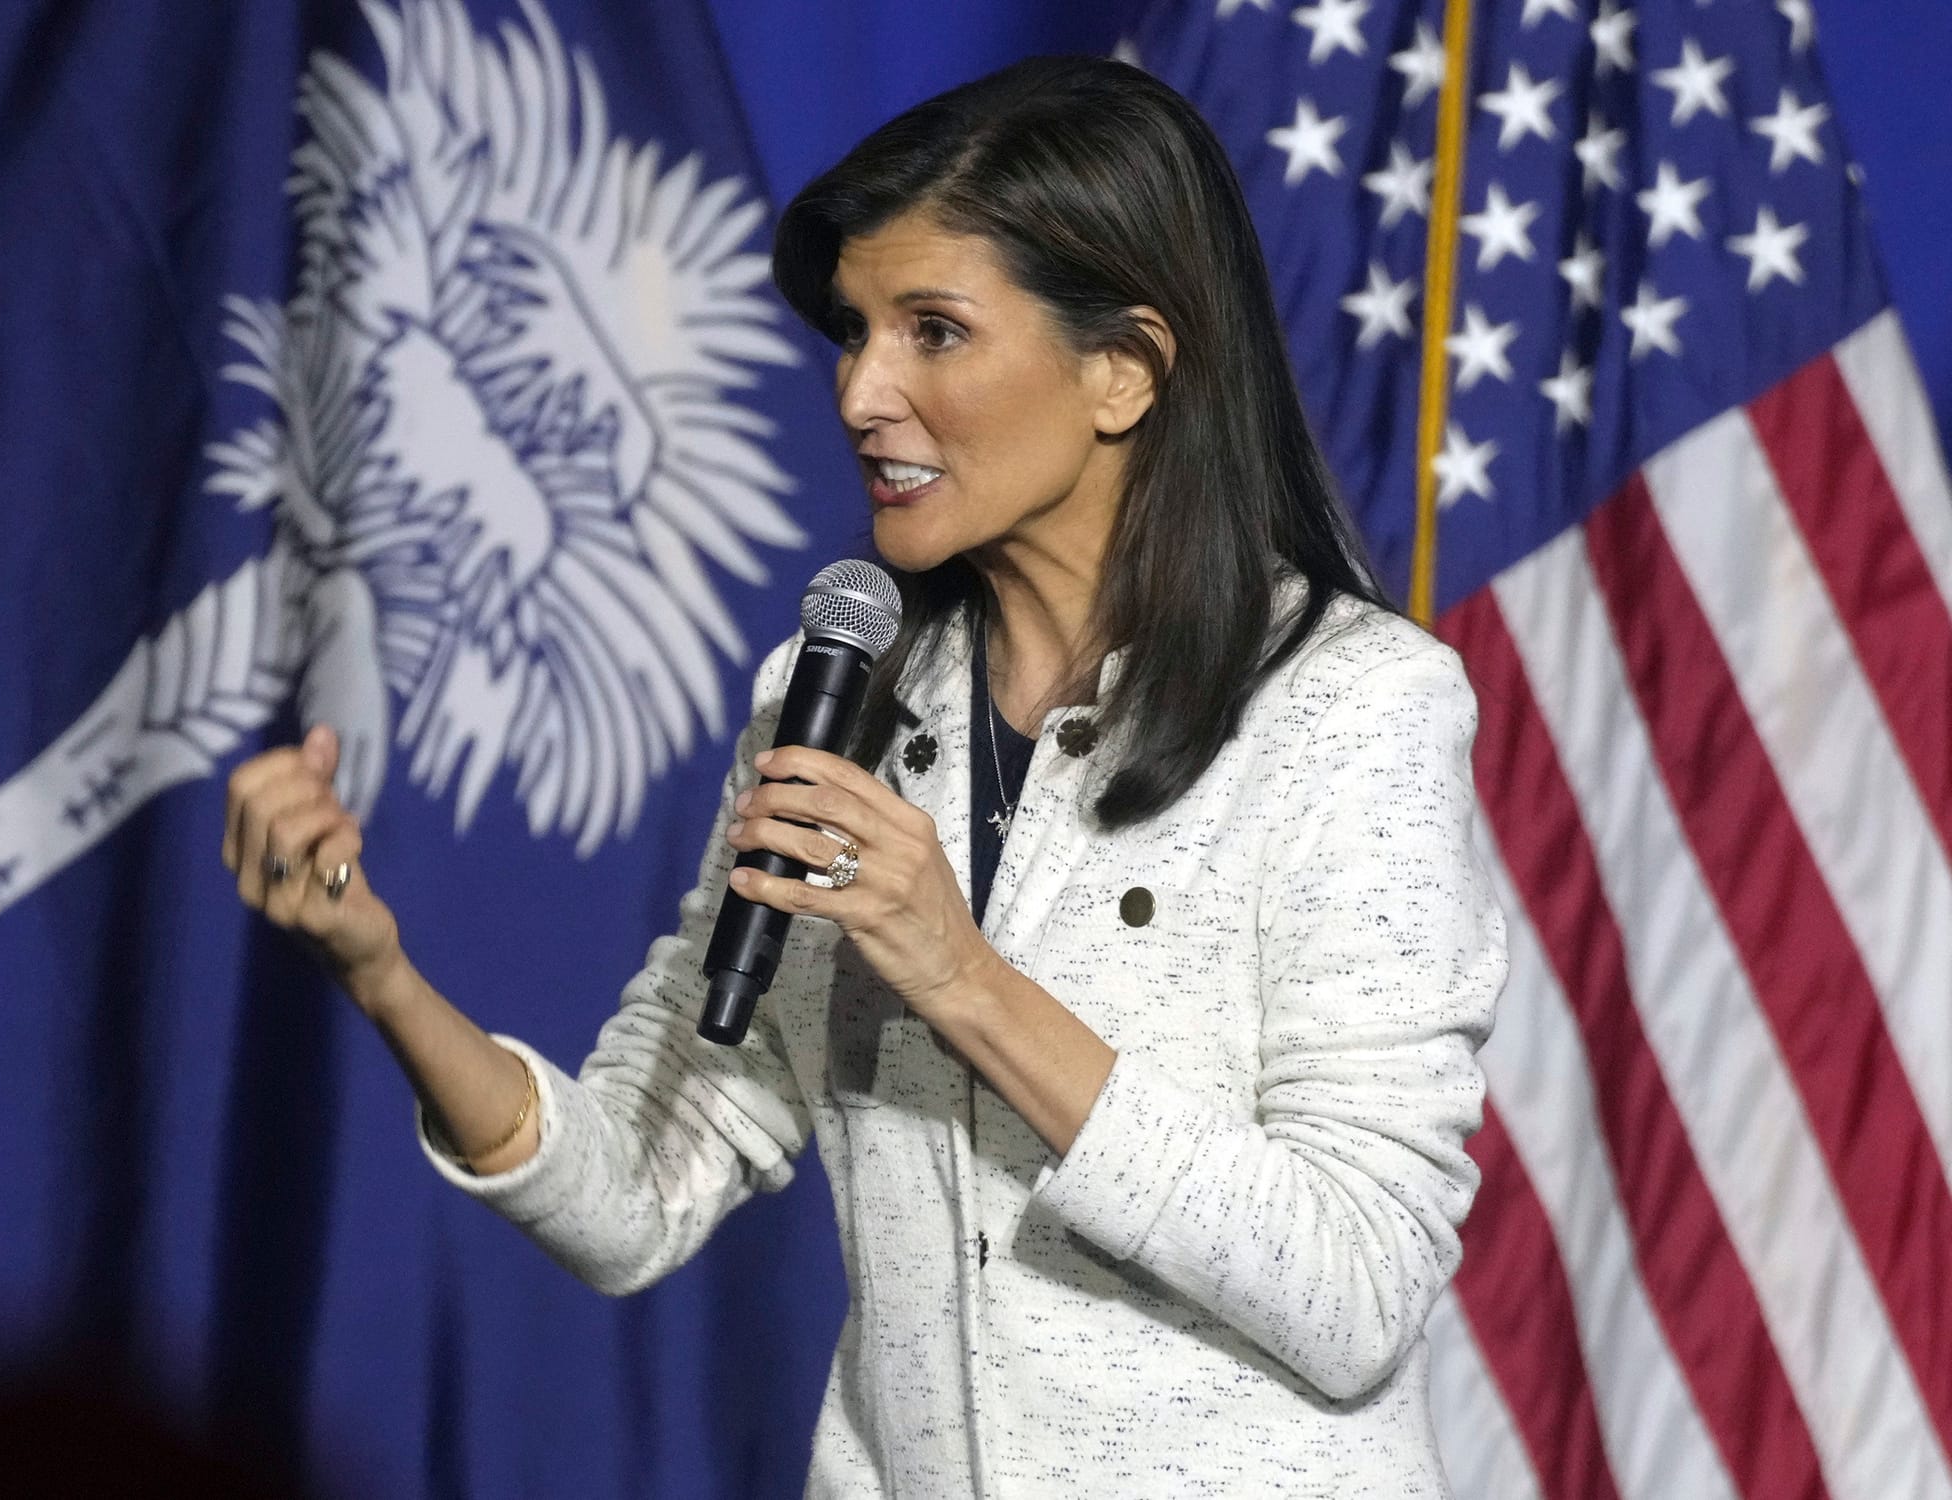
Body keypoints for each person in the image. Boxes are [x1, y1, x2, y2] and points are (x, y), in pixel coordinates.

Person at [222, 55, 1506, 1497]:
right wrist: (381, 973)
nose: (861, 391)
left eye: (932, 331)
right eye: (852, 330)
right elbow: (633, 1193)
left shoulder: (1350, 708)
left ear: (1125, 370)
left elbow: (1355, 1290)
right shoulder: (830, 701)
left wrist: (963, 978)